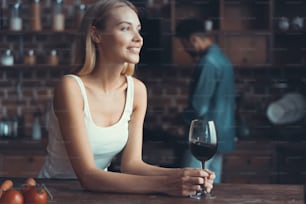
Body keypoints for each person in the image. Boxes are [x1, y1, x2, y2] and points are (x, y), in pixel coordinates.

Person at [38, 0, 215, 197]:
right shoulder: (70, 88)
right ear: (96, 35)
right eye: (125, 28)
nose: (138, 38)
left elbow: (132, 165)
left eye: (138, 30)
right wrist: (167, 185)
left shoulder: (137, 91)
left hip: (99, 193)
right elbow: (88, 175)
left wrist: (185, 174)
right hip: (54, 192)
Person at [175, 18, 236, 183]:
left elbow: (199, 107)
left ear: (193, 39)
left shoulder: (208, 63)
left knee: (190, 185)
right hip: (221, 135)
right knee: (210, 185)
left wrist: (182, 121)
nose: (184, 49)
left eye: (183, 44)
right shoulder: (222, 59)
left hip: (204, 138)